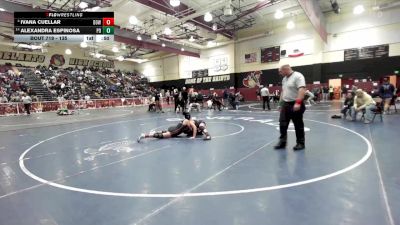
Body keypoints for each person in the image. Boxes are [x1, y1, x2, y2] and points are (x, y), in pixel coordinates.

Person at [274, 64, 306, 151]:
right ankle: (282, 142)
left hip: (296, 103)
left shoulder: (298, 76)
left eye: (280, 71)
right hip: (286, 104)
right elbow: (283, 91)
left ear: (286, 69)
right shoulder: (284, 79)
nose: (280, 73)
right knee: (282, 123)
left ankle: (300, 143)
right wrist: (280, 104)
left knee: (298, 124)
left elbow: (302, 89)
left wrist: (298, 102)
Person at [137, 112, 211, 142]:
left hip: (177, 128)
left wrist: (193, 135)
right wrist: (194, 137)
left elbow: (194, 129)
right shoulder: (194, 122)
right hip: (177, 129)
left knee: (165, 134)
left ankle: (145, 135)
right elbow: (195, 127)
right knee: (166, 135)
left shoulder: (192, 124)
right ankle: (208, 136)